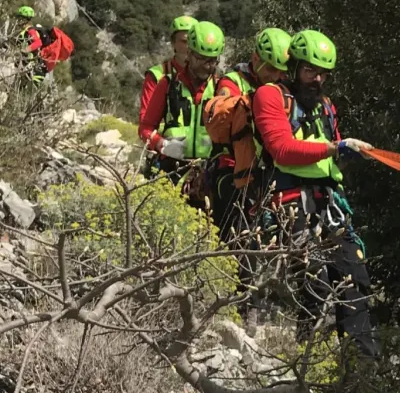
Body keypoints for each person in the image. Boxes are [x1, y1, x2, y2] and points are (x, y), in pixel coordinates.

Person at [251, 29, 379, 357]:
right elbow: (281, 149)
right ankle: (305, 355)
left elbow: (328, 155)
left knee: (355, 278)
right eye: (310, 70)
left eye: (323, 74)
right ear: (293, 67)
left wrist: (345, 154)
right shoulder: (270, 95)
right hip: (291, 204)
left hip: (329, 205)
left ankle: (361, 365)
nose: (317, 79)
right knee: (317, 280)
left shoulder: (324, 106)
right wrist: (334, 148)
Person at [208, 27, 292, 329]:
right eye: (269, 68)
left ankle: (256, 300)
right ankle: (239, 305)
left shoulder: (282, 88)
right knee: (236, 237)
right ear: (256, 58)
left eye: (279, 70)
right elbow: (221, 117)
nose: (274, 75)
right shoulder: (233, 83)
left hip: (262, 174)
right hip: (230, 170)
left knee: (258, 238)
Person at [138, 20, 223, 180]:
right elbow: (145, 128)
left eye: (211, 61)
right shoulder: (167, 84)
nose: (206, 66)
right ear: (189, 54)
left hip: (209, 170)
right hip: (170, 168)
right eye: (200, 59)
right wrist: (161, 144)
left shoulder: (220, 88)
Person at [139, 16, 197, 129]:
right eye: (184, 41)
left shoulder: (209, 78)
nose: (189, 47)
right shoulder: (156, 75)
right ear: (173, 43)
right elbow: (145, 121)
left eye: (193, 42)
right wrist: (161, 143)